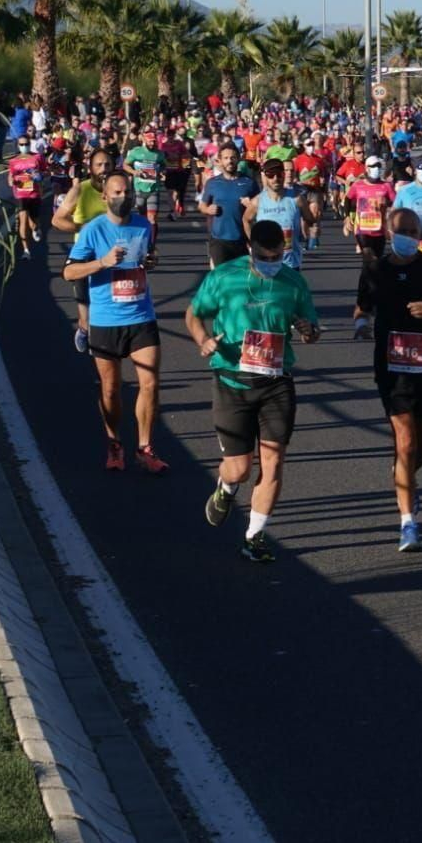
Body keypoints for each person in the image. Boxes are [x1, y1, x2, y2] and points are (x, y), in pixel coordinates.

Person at [186, 220, 321, 563]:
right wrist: (203, 341)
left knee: (273, 462)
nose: (271, 263)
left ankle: (254, 536)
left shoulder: (292, 281)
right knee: (239, 468)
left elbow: (312, 328)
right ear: (251, 249)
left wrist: (308, 330)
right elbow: (193, 314)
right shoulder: (225, 276)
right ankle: (226, 487)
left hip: (276, 382)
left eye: (277, 256)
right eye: (264, 257)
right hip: (232, 380)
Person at [357, 208, 422, 552]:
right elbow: (362, 306)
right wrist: (360, 323)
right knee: (404, 442)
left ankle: (402, 477)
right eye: (402, 230)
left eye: (414, 231)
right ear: (388, 232)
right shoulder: (375, 269)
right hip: (391, 368)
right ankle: (408, 523)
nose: (408, 236)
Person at [62, 173, 169, 473]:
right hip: (106, 319)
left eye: (128, 191)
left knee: (150, 383)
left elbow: (147, 256)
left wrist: (151, 262)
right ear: (105, 197)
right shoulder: (93, 231)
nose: (125, 196)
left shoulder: (143, 225)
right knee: (110, 389)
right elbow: (69, 273)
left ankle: (145, 448)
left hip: (141, 316)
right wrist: (101, 263)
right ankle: (114, 443)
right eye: (118, 192)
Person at [52, 148, 114, 353]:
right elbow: (57, 220)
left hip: (113, 253)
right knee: (85, 306)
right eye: (99, 165)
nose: (104, 169)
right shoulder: (81, 190)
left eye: (107, 164)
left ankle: (104, 343)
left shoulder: (118, 189)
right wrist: (83, 228)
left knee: (110, 303)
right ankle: (84, 328)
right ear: (91, 168)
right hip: (84, 254)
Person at [244, 159, 314, 272]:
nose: (275, 178)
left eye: (279, 174)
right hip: (265, 262)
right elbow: (246, 220)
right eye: (271, 175)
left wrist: (312, 223)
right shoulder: (257, 201)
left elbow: (310, 219)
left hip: (290, 263)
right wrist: (254, 243)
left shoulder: (297, 199)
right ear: (265, 178)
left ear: (284, 175)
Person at [198, 143, 258, 268]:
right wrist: (208, 209)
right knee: (221, 277)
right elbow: (202, 206)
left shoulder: (249, 183)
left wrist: (251, 205)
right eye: (226, 158)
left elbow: (261, 209)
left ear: (238, 159)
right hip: (219, 239)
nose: (229, 161)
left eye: (233, 158)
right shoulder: (212, 183)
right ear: (219, 161)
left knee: (240, 280)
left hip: (242, 239)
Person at [345, 156, 396, 272]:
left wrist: (386, 203)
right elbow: (347, 199)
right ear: (367, 168)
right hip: (362, 229)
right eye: (373, 166)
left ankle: (371, 285)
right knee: (368, 256)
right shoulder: (358, 185)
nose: (376, 169)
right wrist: (347, 217)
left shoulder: (386, 186)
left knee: (377, 261)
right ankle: (366, 286)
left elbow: (396, 202)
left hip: (379, 230)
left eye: (378, 166)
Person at [124, 130, 169, 245]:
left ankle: (151, 244)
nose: (152, 144)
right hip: (139, 188)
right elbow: (125, 165)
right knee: (142, 217)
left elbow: (164, 165)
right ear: (144, 140)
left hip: (154, 188)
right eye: (150, 142)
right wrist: (134, 172)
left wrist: (163, 172)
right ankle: (143, 239)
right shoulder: (136, 152)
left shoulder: (159, 154)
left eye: (154, 142)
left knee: (152, 218)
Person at [8, 134, 46, 260]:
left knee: (34, 221)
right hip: (20, 194)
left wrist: (37, 176)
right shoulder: (13, 161)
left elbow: (45, 171)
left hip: (34, 194)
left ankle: (36, 228)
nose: (24, 146)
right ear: (18, 146)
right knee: (22, 221)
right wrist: (12, 182)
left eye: (26, 144)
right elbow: (10, 176)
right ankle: (26, 251)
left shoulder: (37, 157)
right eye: (21, 144)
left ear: (30, 144)